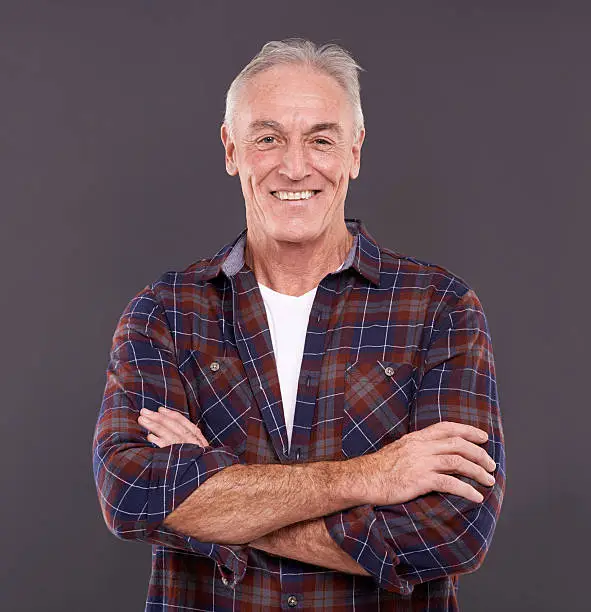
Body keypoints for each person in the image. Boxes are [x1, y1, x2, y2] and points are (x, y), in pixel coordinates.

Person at [92, 38, 505, 611]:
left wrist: (223, 502)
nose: (294, 165)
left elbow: (452, 531)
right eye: (267, 139)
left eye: (321, 140)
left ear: (354, 152)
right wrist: (373, 476)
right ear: (231, 149)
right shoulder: (165, 313)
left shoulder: (439, 308)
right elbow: (134, 494)